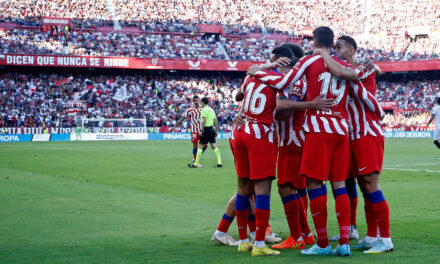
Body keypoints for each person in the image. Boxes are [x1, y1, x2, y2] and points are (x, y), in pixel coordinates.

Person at [248, 26, 384, 256]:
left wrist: (257, 71)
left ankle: (321, 243)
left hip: (317, 129)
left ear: (313, 41)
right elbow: (362, 77)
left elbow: (282, 83)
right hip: (341, 130)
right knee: (339, 184)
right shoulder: (344, 65)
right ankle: (344, 242)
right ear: (333, 43)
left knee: (314, 184)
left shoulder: (308, 62)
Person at [188, 97, 222, 168]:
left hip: (206, 129)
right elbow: (215, 121)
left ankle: (195, 164)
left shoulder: (203, 110)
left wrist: (201, 130)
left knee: (200, 146)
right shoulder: (211, 109)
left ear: (203, 102)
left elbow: (204, 120)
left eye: (201, 102)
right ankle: (219, 162)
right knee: (214, 146)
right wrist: (216, 130)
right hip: (212, 129)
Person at [171, 96, 202, 162]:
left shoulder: (202, 109)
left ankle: (198, 156)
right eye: (195, 100)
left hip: (202, 130)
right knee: (195, 145)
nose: (197, 101)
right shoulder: (190, 110)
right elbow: (182, 118)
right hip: (194, 130)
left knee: (205, 145)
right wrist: (175, 126)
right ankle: (195, 158)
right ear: (193, 101)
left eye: (198, 100)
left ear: (199, 101)